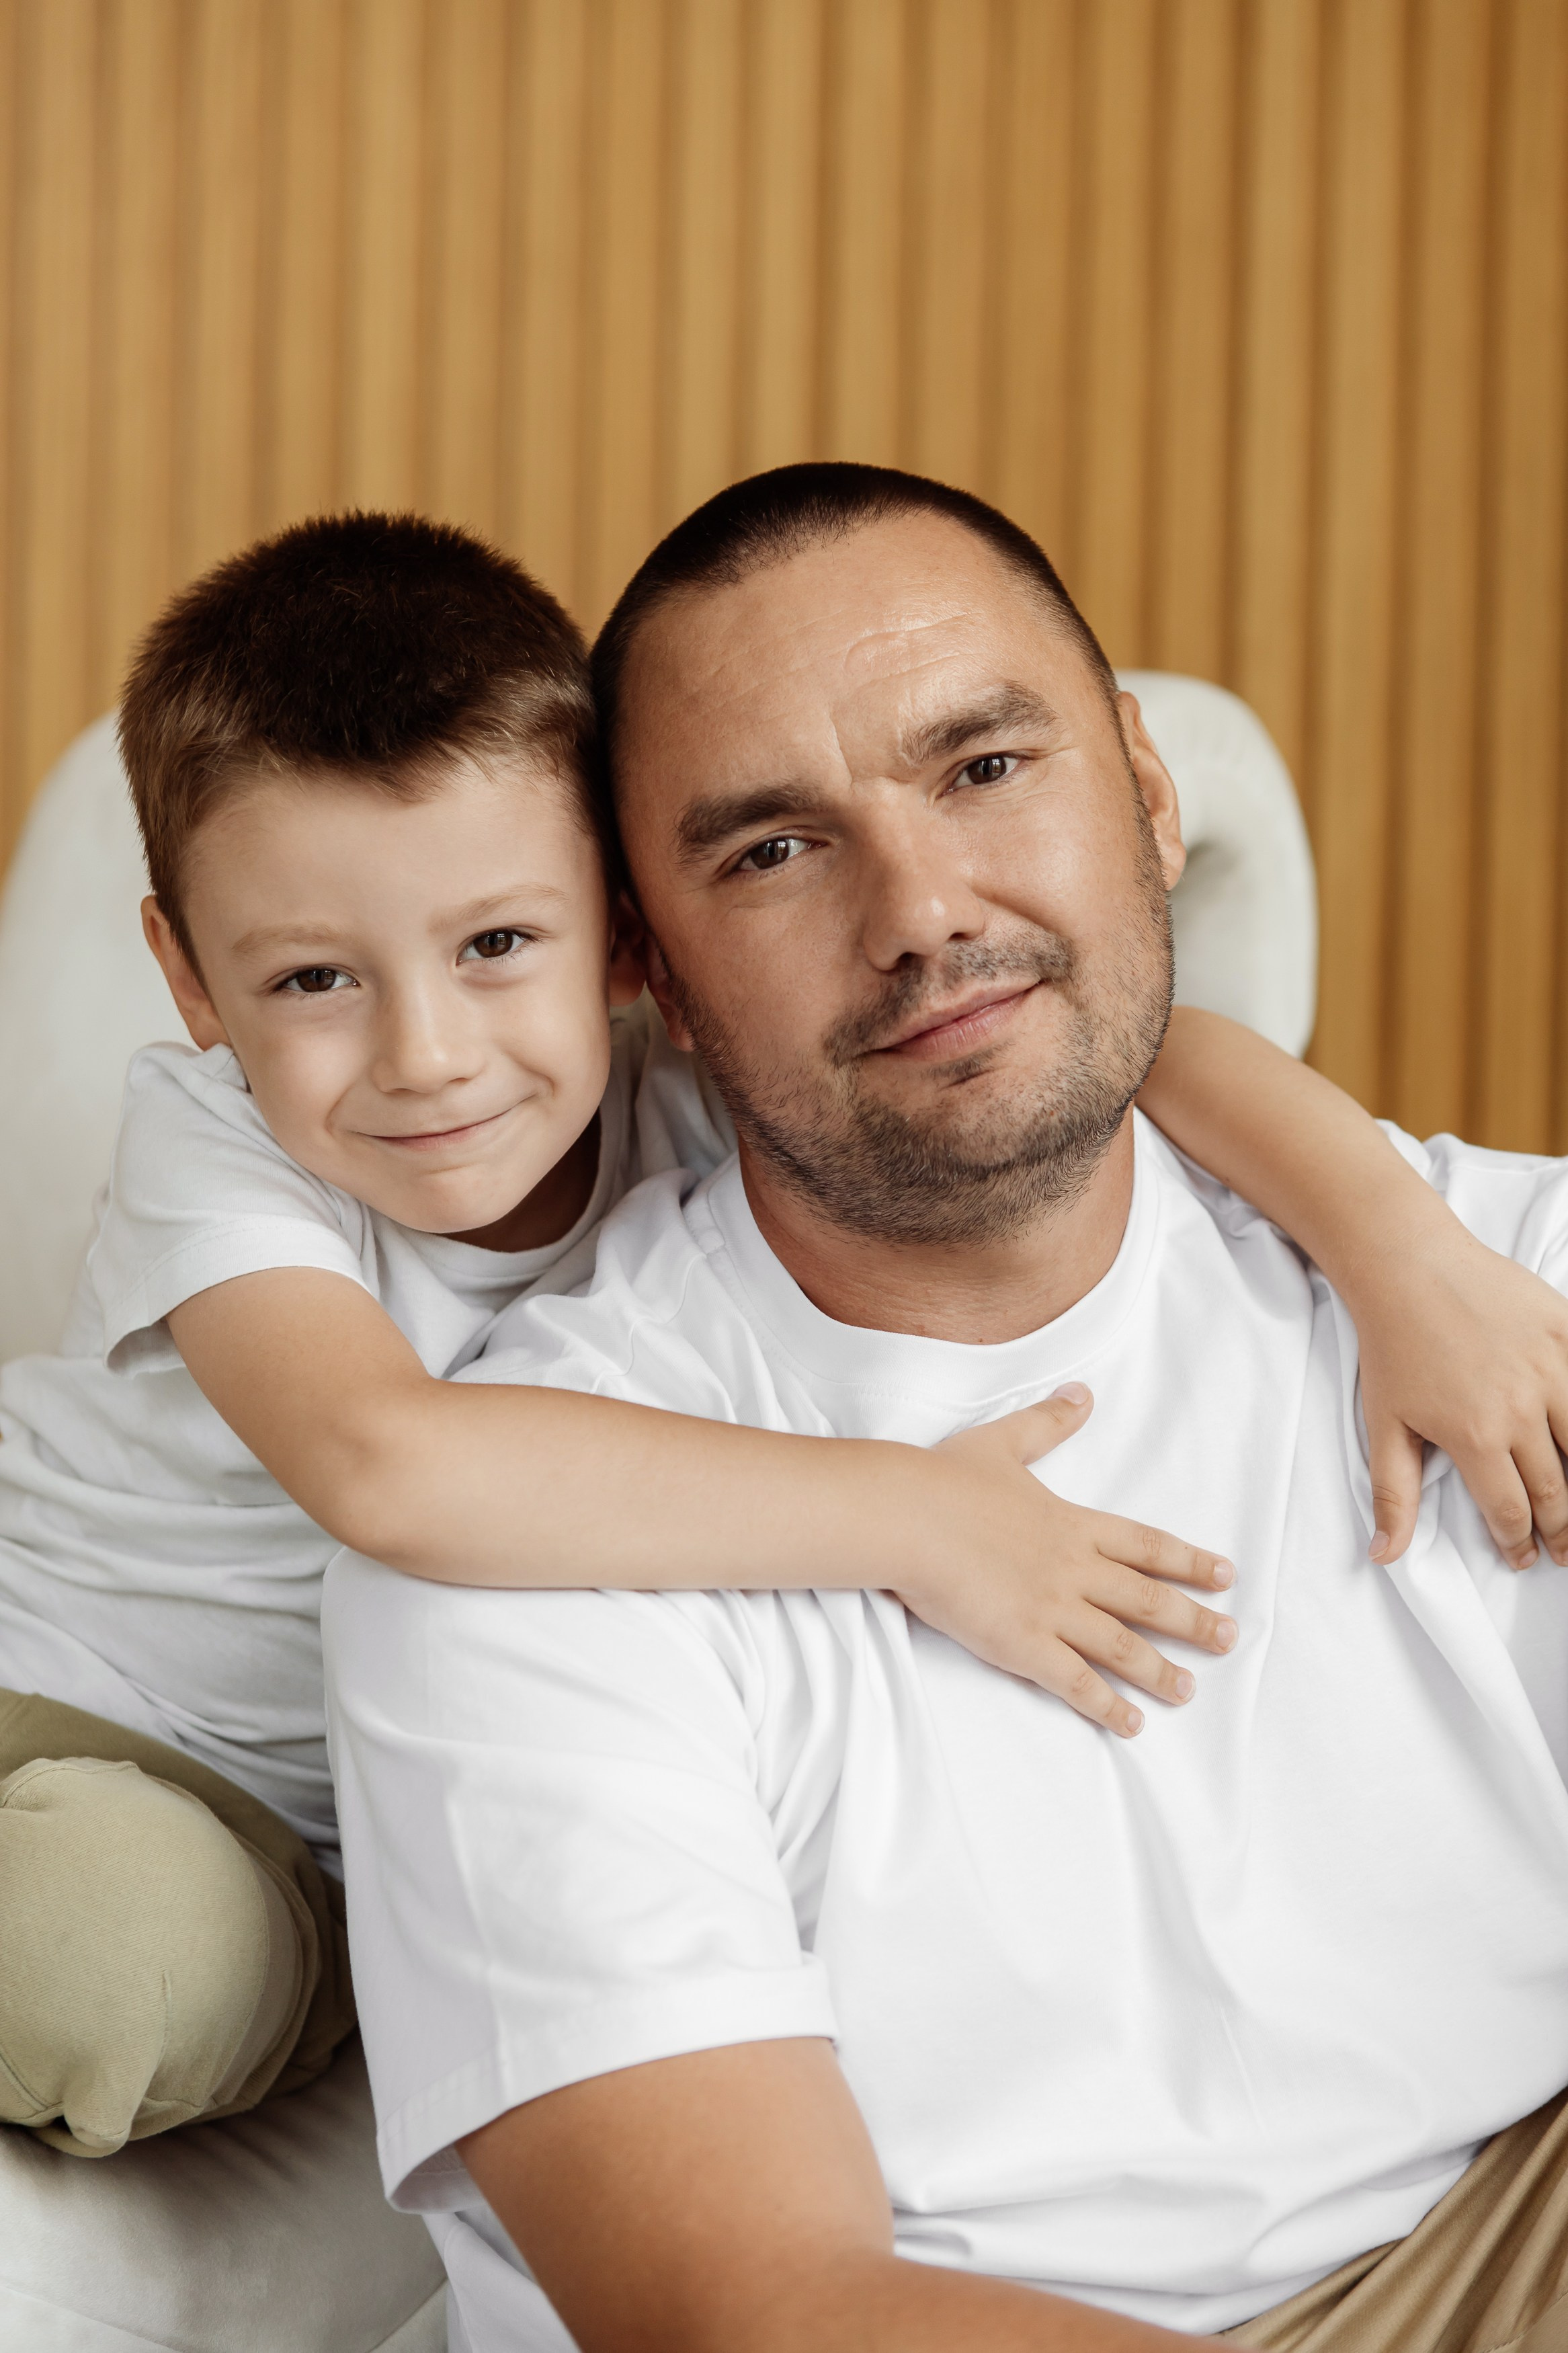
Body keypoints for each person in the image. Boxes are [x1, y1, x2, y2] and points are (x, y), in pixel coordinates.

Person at [324, 464, 1568, 2353]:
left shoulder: (1485, 1283)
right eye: (770, 849)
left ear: (1144, 793)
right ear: (641, 959)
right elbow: (755, 2309)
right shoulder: (535, 1528)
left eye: (984, 769)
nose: (921, 912)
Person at [0, 508, 1410, 2158]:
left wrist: (1403, 1251)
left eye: (497, 946)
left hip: (310, 1814)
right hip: (74, 1691)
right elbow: (389, 1465)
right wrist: (914, 1514)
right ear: (185, 974)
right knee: (89, 1957)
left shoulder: (694, 1081)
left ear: (625, 934)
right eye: (315, 980)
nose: (429, 1055)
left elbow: (1127, 1045)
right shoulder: (221, 1144)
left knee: (145, 1951)